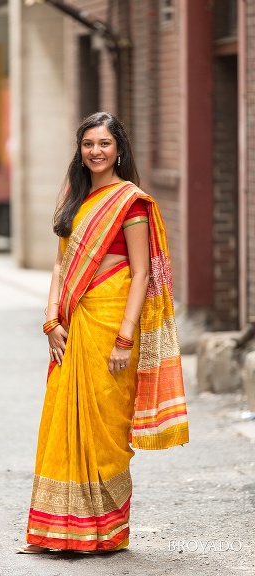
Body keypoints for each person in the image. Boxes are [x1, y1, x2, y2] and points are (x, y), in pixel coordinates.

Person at [18, 112, 189, 554]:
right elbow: (60, 265)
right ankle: (62, 531)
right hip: (71, 326)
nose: (96, 151)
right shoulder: (75, 201)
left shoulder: (130, 203)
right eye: (88, 144)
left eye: (104, 144)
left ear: (119, 150)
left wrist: (125, 336)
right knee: (62, 418)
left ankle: (105, 533)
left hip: (112, 324)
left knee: (106, 428)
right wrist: (51, 318)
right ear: (80, 151)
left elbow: (140, 274)